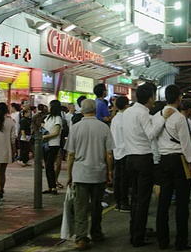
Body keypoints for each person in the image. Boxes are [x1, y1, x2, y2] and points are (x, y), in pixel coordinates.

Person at [123, 82, 171, 248]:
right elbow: (151, 134)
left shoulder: (127, 112)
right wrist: (163, 118)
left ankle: (134, 231)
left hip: (130, 158)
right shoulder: (143, 114)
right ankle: (138, 236)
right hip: (143, 159)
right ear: (150, 98)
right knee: (143, 200)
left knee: (135, 198)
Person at [65, 99, 114, 251]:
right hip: (98, 172)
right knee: (96, 206)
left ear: (82, 110)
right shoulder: (103, 127)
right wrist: (109, 171)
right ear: (95, 110)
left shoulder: (76, 128)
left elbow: (71, 154)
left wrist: (69, 174)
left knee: (81, 207)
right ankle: (96, 232)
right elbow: (109, 154)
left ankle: (81, 238)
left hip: (80, 173)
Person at [155, 85, 191, 251]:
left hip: (164, 161)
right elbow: (186, 145)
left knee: (163, 202)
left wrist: (162, 119)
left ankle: (162, 241)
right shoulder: (180, 118)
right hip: (180, 162)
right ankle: (181, 241)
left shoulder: (157, 116)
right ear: (179, 98)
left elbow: (151, 135)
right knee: (182, 203)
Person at [0, 102, 17, 206]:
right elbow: (13, 140)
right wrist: (14, 151)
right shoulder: (11, 122)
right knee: (2, 171)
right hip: (6, 150)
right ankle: (1, 190)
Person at [110, 96, 131, 212]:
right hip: (126, 151)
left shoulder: (114, 119)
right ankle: (124, 201)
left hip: (116, 150)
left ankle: (117, 202)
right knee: (124, 179)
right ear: (127, 105)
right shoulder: (126, 119)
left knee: (117, 177)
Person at [41, 100, 63, 194]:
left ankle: (53, 187)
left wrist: (46, 136)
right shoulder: (47, 118)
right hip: (46, 144)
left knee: (50, 164)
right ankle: (50, 186)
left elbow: (56, 132)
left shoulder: (58, 118)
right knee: (47, 166)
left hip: (54, 144)